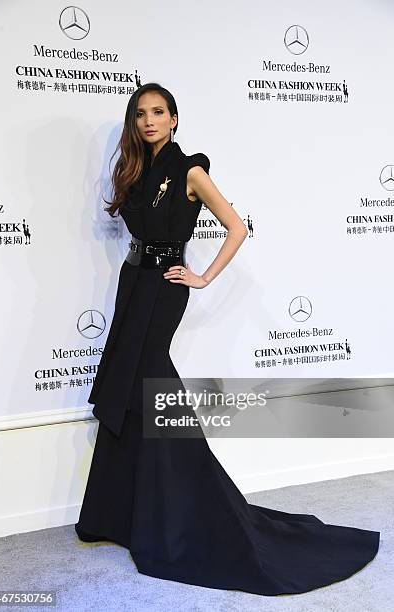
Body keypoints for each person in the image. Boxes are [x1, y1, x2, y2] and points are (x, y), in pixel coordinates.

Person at [75, 82, 380, 596]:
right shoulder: (134, 168)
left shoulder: (190, 168)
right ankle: (122, 514)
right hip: (133, 284)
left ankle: (194, 506)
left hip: (165, 287)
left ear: (174, 119)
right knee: (130, 394)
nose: (149, 121)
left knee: (152, 387)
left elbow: (236, 227)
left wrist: (203, 276)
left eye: (159, 112)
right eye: (141, 114)